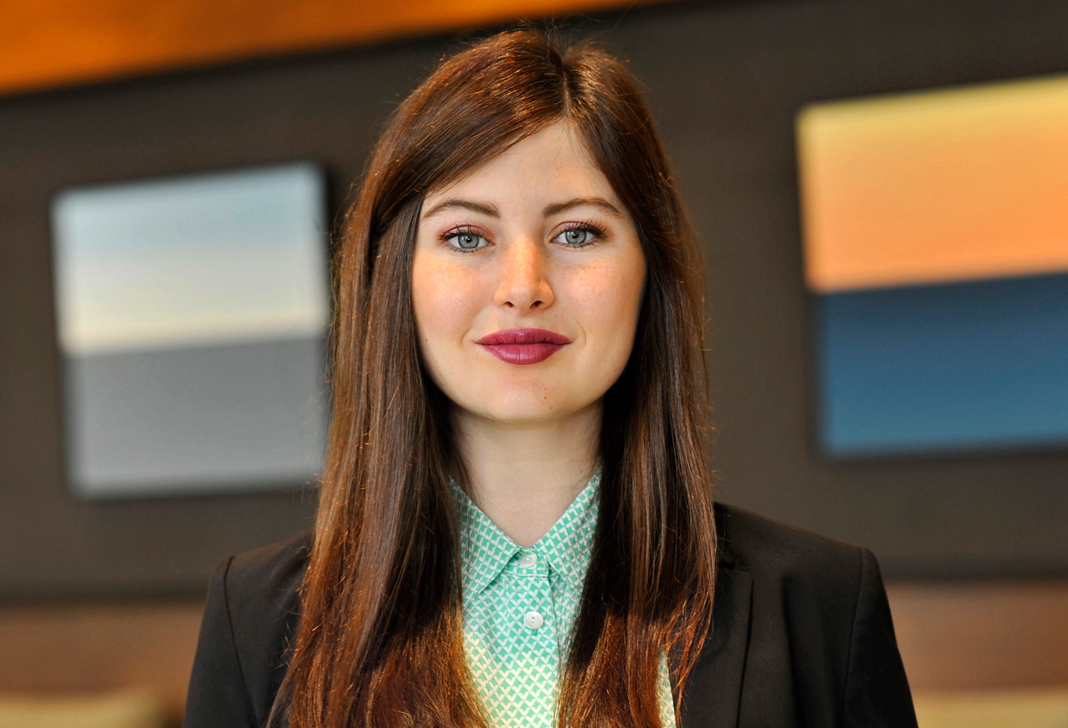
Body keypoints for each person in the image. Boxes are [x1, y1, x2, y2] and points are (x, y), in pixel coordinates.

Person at [183, 30, 918, 728]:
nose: (523, 286)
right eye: (466, 236)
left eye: (577, 232)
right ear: (394, 278)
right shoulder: (255, 621)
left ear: (649, 270)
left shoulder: (822, 602)